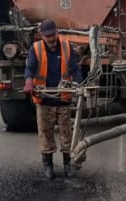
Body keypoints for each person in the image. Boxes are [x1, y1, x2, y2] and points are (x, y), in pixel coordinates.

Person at [23, 19, 83, 179]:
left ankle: (68, 165)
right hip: (44, 99)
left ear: (57, 32)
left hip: (63, 98)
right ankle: (48, 166)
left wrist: (79, 84)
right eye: (47, 36)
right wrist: (28, 80)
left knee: (67, 134)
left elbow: (75, 68)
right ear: (42, 35)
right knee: (45, 133)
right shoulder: (35, 49)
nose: (51, 39)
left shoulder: (66, 47)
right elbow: (30, 68)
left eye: (53, 35)